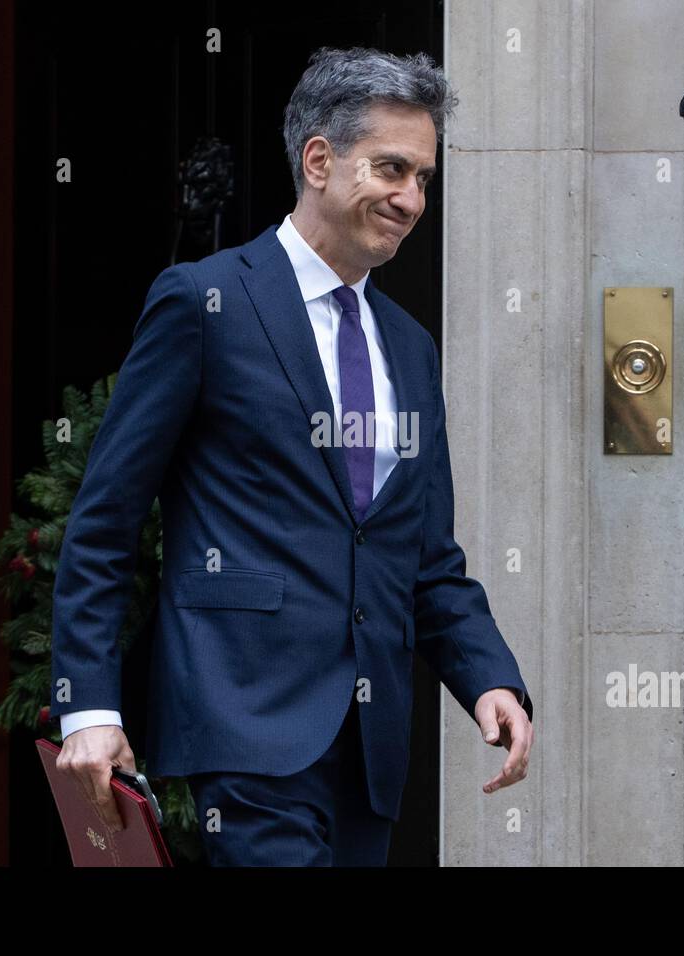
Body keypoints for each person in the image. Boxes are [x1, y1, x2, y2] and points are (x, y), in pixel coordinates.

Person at [50, 46, 533, 866]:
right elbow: (107, 517)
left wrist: (490, 677)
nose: (411, 198)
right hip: (245, 725)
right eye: (392, 168)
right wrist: (88, 707)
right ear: (318, 159)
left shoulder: (409, 349)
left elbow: (427, 556)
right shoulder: (208, 302)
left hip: (370, 750)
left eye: (423, 178)